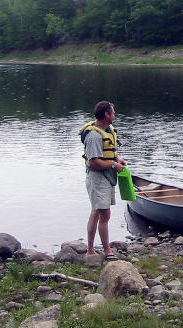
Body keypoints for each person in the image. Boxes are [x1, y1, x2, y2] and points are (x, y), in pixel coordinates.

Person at [78, 101, 127, 261]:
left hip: (106, 177)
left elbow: (110, 152)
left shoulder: (107, 130)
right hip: (97, 179)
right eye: (113, 112)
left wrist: (117, 159)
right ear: (107, 115)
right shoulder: (93, 136)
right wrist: (113, 165)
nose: (114, 115)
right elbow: (94, 162)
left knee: (97, 212)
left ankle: (90, 250)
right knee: (104, 214)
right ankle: (107, 251)